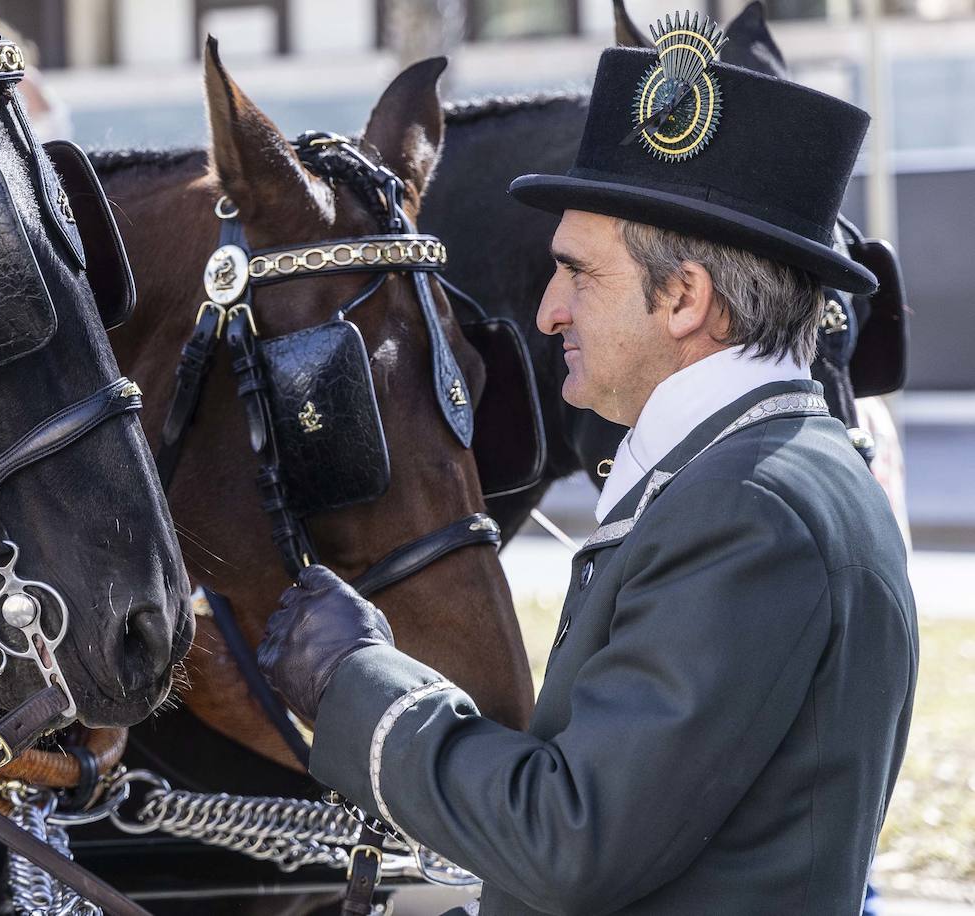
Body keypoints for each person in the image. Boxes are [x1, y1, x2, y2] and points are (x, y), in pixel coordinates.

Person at [257, 21, 917, 915]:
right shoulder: (768, 466)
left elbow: (570, 839)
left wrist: (354, 681)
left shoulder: (747, 506)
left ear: (685, 297)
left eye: (575, 273)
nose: (548, 311)